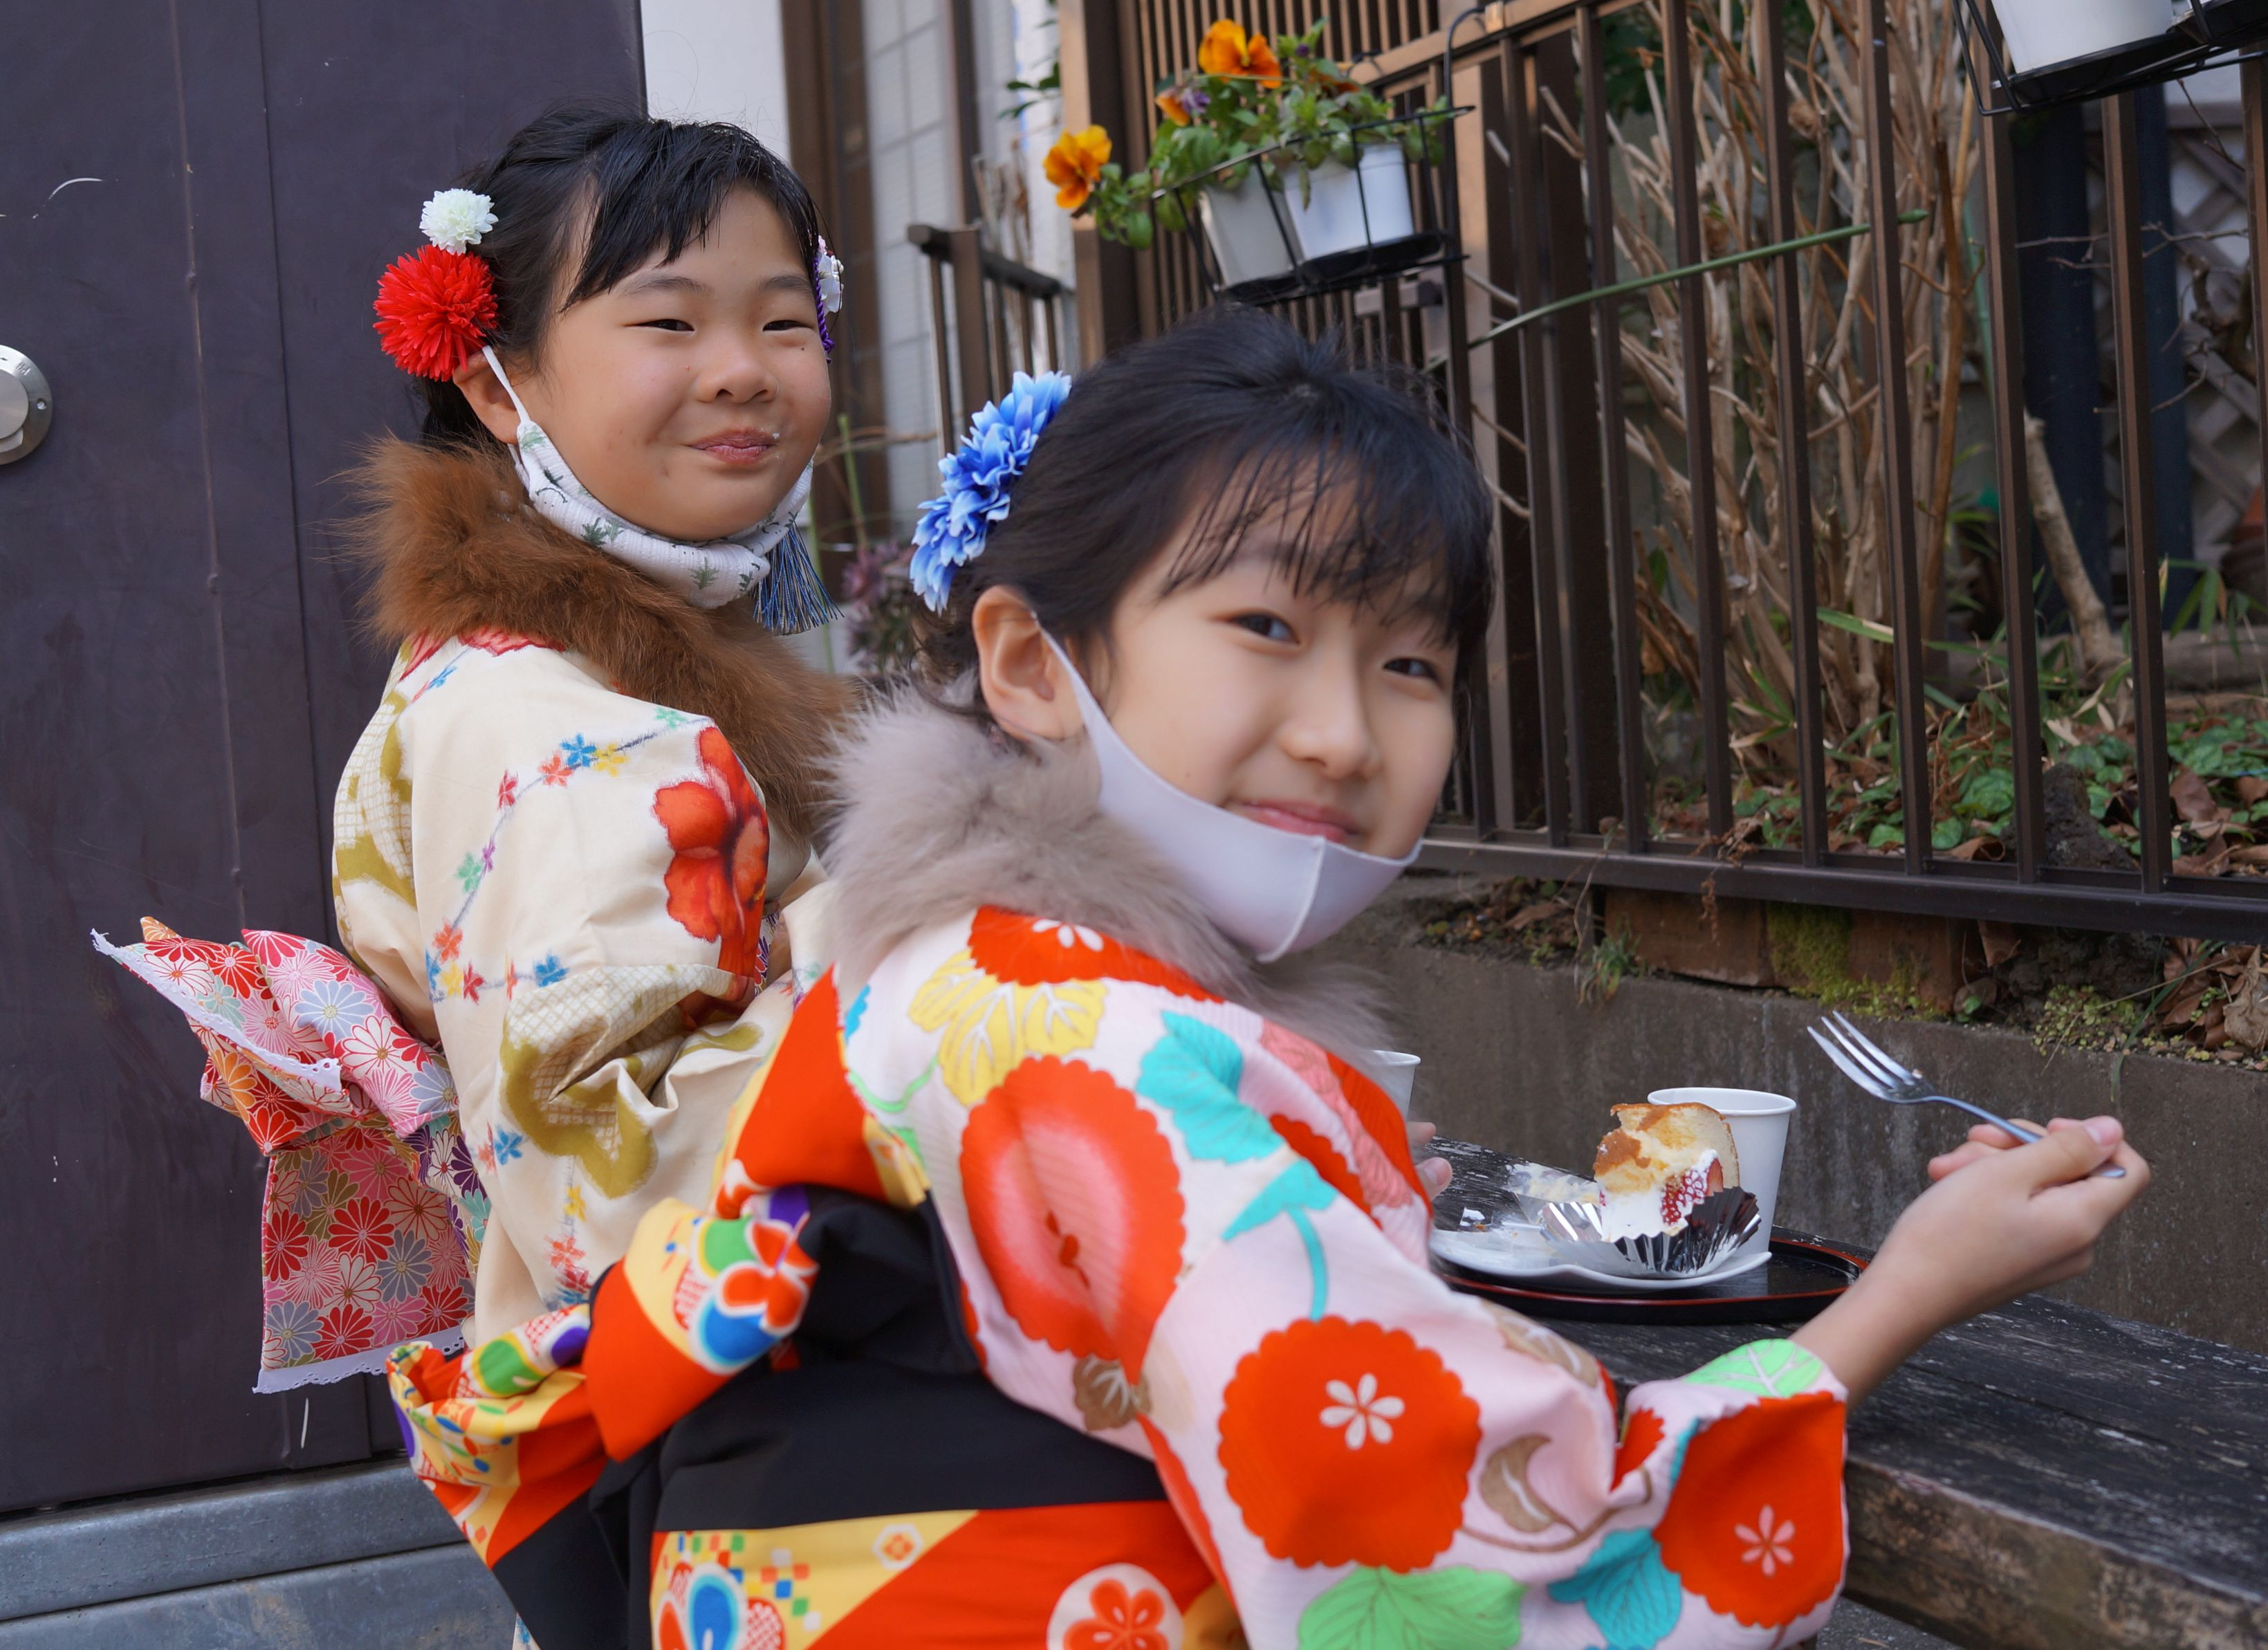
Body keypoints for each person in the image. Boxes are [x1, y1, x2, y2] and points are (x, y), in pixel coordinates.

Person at [394, 310, 2148, 1649]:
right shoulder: (1112, 1042)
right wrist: (1895, 1298)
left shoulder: (951, 952)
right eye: (1264, 628)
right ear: (1028, 661)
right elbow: (1472, 1557)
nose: (1340, 732)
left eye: (1411, 662)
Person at [98, 105, 854, 1399]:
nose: (742, 370)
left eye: (784, 321)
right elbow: (618, 1200)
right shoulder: (549, 729)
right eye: (669, 323)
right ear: (498, 384)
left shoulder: (582, 663)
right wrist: (912, 925)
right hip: (728, 1394)